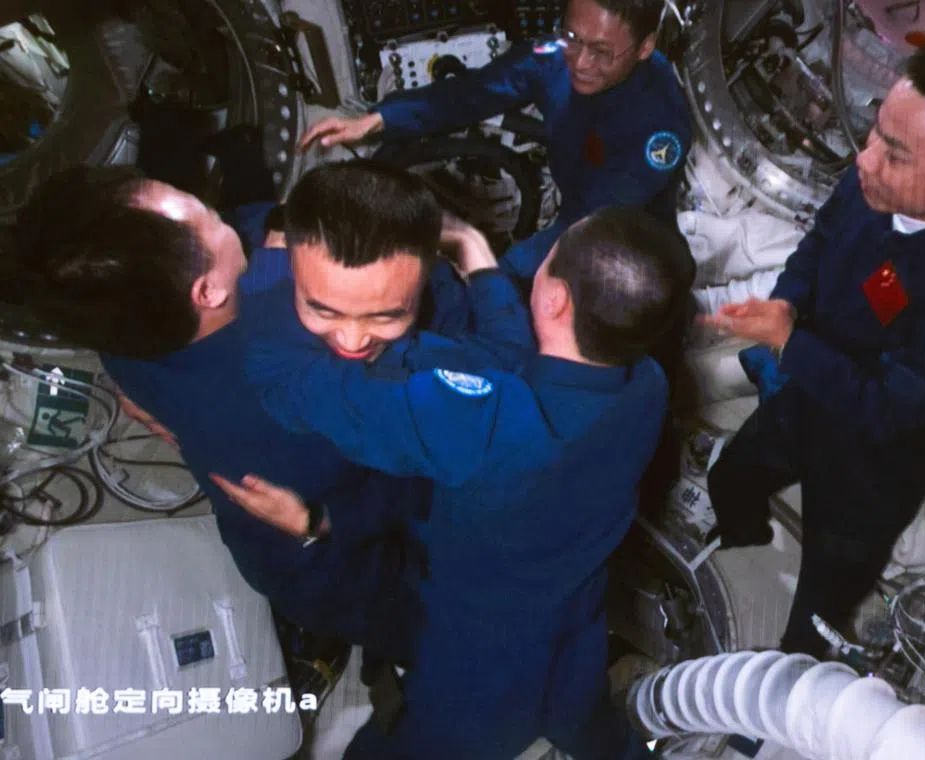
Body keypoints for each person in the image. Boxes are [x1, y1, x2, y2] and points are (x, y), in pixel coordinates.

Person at [214, 207, 693, 759]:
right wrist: (472, 248)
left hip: (482, 658)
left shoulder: (483, 422)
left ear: (555, 298)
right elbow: (523, 357)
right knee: (586, 722)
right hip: (576, 614)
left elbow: (290, 384)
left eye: (549, 260)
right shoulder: (645, 384)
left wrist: (278, 261)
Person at [3, 162, 509, 675]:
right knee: (457, 628)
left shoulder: (124, 320)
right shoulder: (311, 391)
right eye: (206, 216)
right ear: (207, 292)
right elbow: (425, 482)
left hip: (276, 526)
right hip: (347, 570)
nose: (222, 214)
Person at [702, 37, 925, 658]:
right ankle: (744, 552)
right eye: (873, 135)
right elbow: (820, 240)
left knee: (819, 611)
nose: (862, 160)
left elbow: (885, 411)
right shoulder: (875, 183)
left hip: (865, 467)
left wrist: (788, 341)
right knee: (732, 479)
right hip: (799, 402)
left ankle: (788, 685)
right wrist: (786, 301)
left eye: (892, 154)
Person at [298, 0, 692, 284]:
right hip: (574, 213)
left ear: (644, 47)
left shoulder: (662, 125)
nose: (581, 62)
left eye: (602, 52)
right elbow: (470, 94)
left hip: (628, 245)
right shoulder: (556, 55)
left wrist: (491, 277)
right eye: (573, 36)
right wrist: (377, 120)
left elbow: (588, 224)